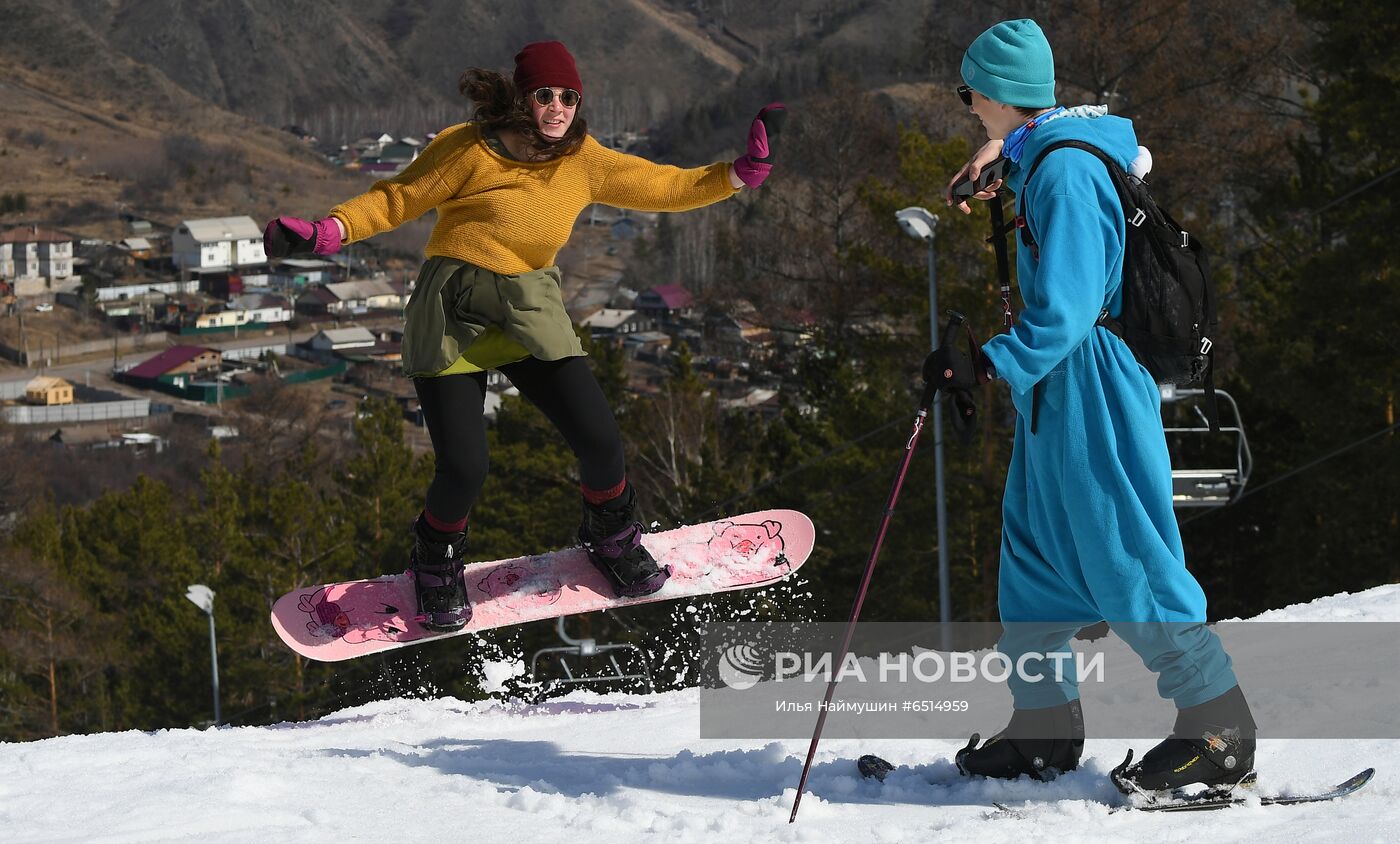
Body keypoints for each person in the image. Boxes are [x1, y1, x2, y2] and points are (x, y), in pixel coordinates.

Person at [264, 41, 785, 632]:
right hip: (454, 309)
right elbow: (396, 198)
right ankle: (434, 563)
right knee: (464, 467)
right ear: (522, 97)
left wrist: (736, 175)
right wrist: (326, 232)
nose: (558, 107)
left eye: (569, 96)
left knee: (600, 440)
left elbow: (664, 187)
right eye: (545, 95)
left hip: (526, 307)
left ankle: (609, 535)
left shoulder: (583, 159)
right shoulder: (467, 148)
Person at [924, 19, 1256, 793]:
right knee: (1033, 557)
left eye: (967, 93)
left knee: (1126, 551)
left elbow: (1069, 309)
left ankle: (1220, 729)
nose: (966, 106)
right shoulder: (1045, 149)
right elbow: (1039, 141)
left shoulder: (1065, 175)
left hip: (1092, 380)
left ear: (991, 92)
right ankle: (1043, 732)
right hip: (1058, 386)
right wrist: (997, 160)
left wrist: (987, 363)